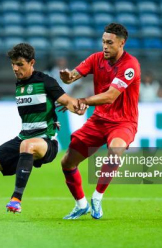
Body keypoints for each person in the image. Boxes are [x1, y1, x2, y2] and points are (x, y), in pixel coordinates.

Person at [0, 43, 86, 220]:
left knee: (28, 144)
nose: (15, 69)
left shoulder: (45, 81)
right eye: (13, 65)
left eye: (20, 64)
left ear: (32, 62)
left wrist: (77, 107)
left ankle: (16, 198)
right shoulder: (20, 83)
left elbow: (66, 100)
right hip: (23, 138)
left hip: (46, 142)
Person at [59, 23, 141, 219]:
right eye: (103, 42)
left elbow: (110, 96)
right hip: (98, 121)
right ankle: (81, 204)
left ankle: (97, 197)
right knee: (67, 163)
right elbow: (73, 77)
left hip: (124, 121)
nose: (105, 46)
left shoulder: (130, 65)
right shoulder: (97, 58)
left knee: (115, 151)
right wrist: (67, 77)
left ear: (122, 43)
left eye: (110, 43)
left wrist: (82, 101)